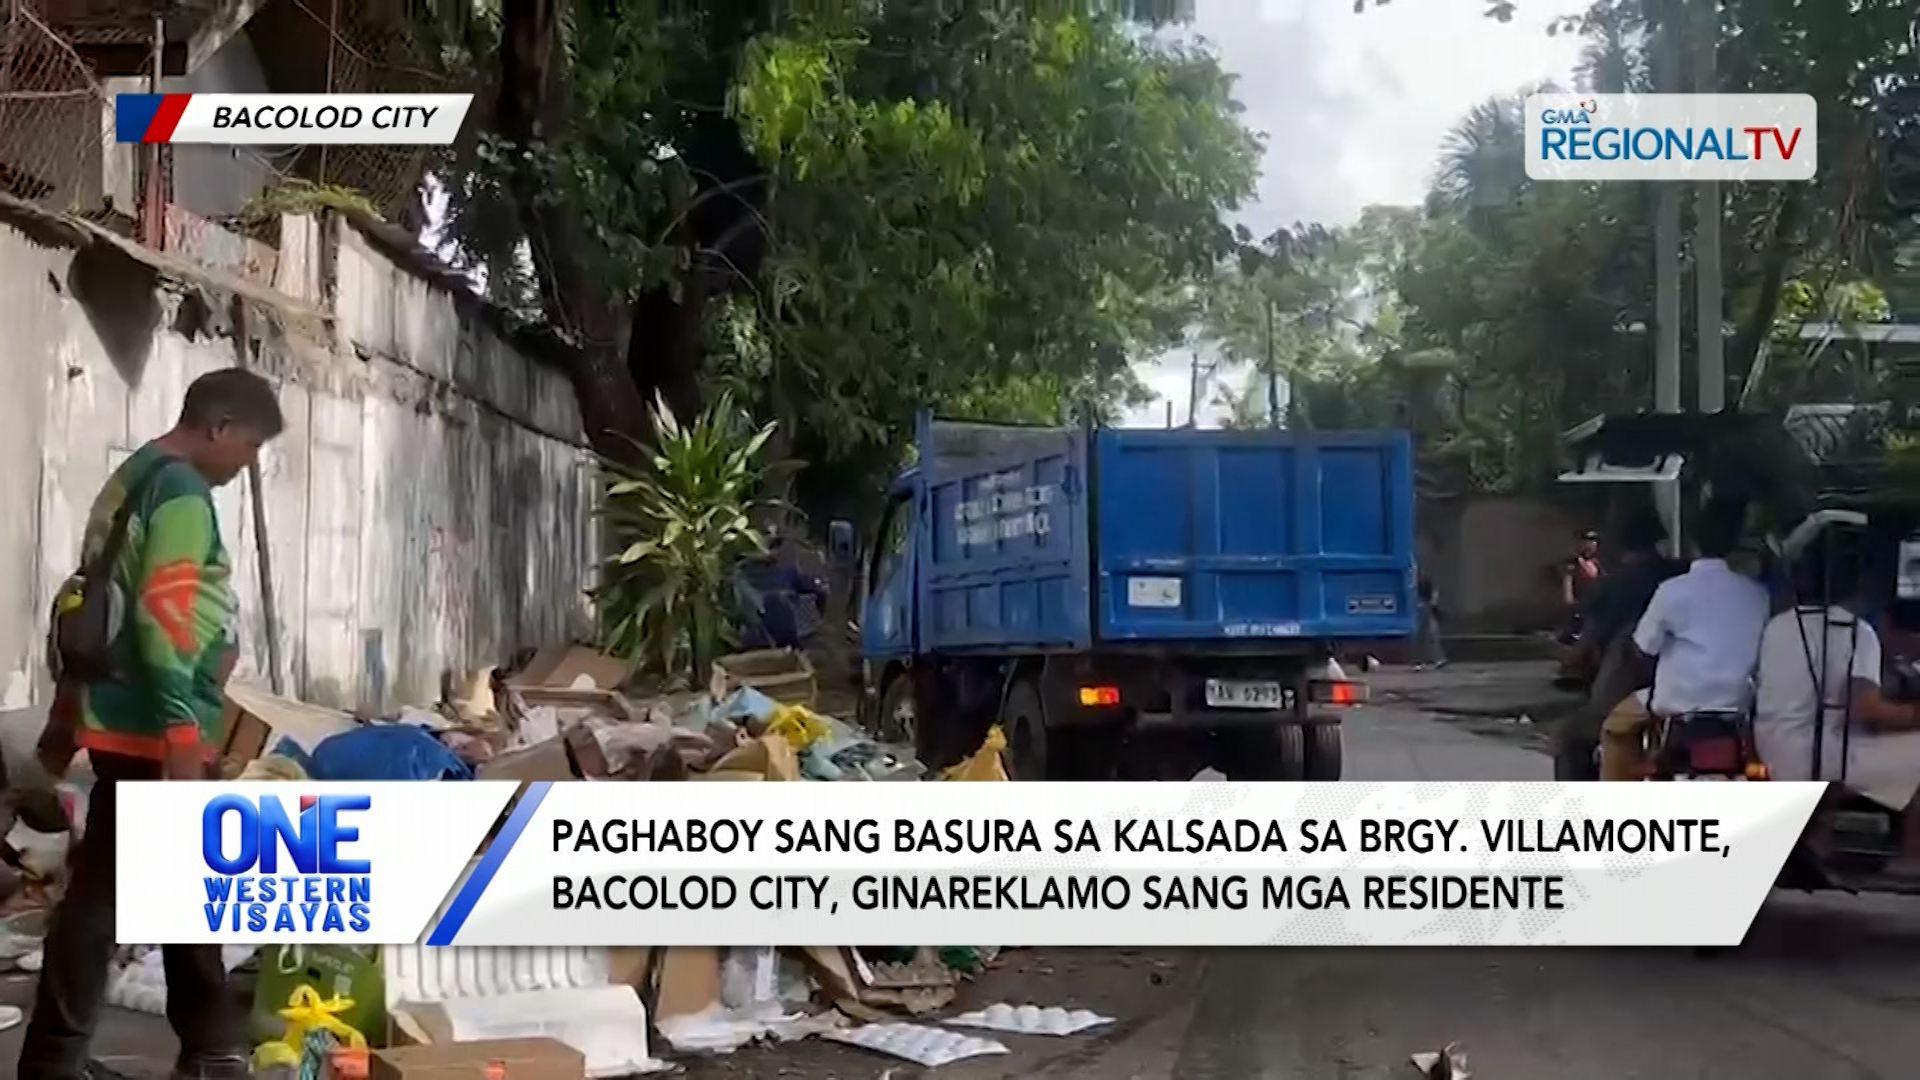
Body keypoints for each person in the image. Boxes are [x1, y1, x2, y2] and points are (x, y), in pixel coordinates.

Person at [19, 369, 284, 1080]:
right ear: (219, 428)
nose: (247, 464)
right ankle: (67, 1058)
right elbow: (162, 619)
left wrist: (68, 714)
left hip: (120, 716)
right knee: (104, 898)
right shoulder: (183, 492)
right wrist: (181, 736)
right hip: (153, 727)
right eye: (249, 446)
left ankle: (203, 1045)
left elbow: (87, 597)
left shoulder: (134, 476)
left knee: (162, 884)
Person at [1752, 538, 1920, 879]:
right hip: (1824, 755)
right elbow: (1865, 710)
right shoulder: (1857, 632)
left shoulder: (1777, 626)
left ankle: (1817, 844)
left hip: (1773, 749)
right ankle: (1910, 859)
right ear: (1856, 583)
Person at [1596, 497, 1770, 781]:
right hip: (1738, 707)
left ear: (1691, 544)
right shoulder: (1757, 594)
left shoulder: (1672, 590)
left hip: (1677, 704)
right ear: (1735, 544)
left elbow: (1643, 648)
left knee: (1615, 730)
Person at [1551, 509, 1682, 779]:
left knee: (1572, 739)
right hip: (1688, 688)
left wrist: (1568, 660)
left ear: (1621, 543)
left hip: (1628, 684)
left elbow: (1589, 639)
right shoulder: (1679, 574)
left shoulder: (1611, 585)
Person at [736, 523, 827, 651]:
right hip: (755, 643)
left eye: (776, 545)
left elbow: (818, 591)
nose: (773, 550)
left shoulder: (788, 573)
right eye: (770, 545)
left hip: (786, 643)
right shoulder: (739, 576)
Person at [1558, 530, 1605, 644]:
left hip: (1593, 599)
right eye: (1587, 542)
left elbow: (1602, 578)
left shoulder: (1596, 562)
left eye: (1593, 543)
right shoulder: (1574, 562)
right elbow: (1568, 578)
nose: (1590, 546)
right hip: (1579, 598)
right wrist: (1569, 596)